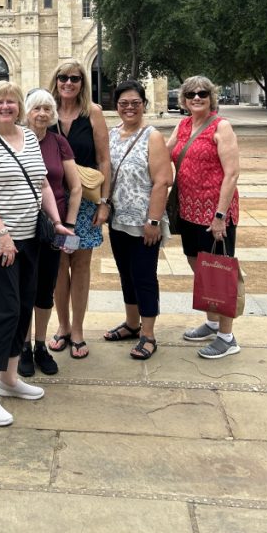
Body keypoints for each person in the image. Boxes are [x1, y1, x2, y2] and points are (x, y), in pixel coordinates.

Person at [0, 81, 73, 427]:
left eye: (11, 101)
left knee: (24, 306)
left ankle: (9, 379)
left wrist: (56, 221)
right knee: (4, 312)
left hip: (29, 239)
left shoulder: (28, 138)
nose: (6, 106)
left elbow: (41, 184)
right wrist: (2, 235)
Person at [166, 76, 241, 359]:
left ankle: (227, 336)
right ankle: (212, 322)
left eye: (202, 94)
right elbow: (164, 152)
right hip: (188, 210)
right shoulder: (183, 125)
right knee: (199, 267)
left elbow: (232, 173)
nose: (196, 98)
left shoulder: (221, 127)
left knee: (219, 272)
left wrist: (220, 215)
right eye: (190, 94)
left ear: (211, 98)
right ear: (183, 100)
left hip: (215, 213)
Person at [103, 80, 172, 359]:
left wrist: (154, 221)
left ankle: (148, 334)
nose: (129, 108)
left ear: (143, 104)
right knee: (126, 274)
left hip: (146, 222)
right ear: (117, 107)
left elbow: (162, 181)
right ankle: (132, 324)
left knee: (144, 276)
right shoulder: (111, 134)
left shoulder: (152, 136)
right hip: (119, 219)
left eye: (135, 103)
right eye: (123, 104)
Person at [48, 60, 111, 359]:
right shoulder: (47, 113)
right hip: (56, 204)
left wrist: (104, 202)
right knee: (59, 266)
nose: (68, 83)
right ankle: (62, 326)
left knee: (81, 266)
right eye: (63, 78)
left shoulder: (93, 113)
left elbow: (104, 160)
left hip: (85, 205)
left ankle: (78, 330)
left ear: (82, 83)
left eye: (75, 78)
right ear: (56, 81)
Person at [18, 88, 82, 378]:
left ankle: (41, 345)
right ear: (27, 112)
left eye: (47, 108)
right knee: (24, 289)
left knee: (45, 288)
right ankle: (24, 347)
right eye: (36, 108)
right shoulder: (15, 140)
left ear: (52, 113)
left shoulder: (59, 143)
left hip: (53, 226)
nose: (41, 113)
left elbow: (76, 187)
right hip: (21, 224)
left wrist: (68, 226)